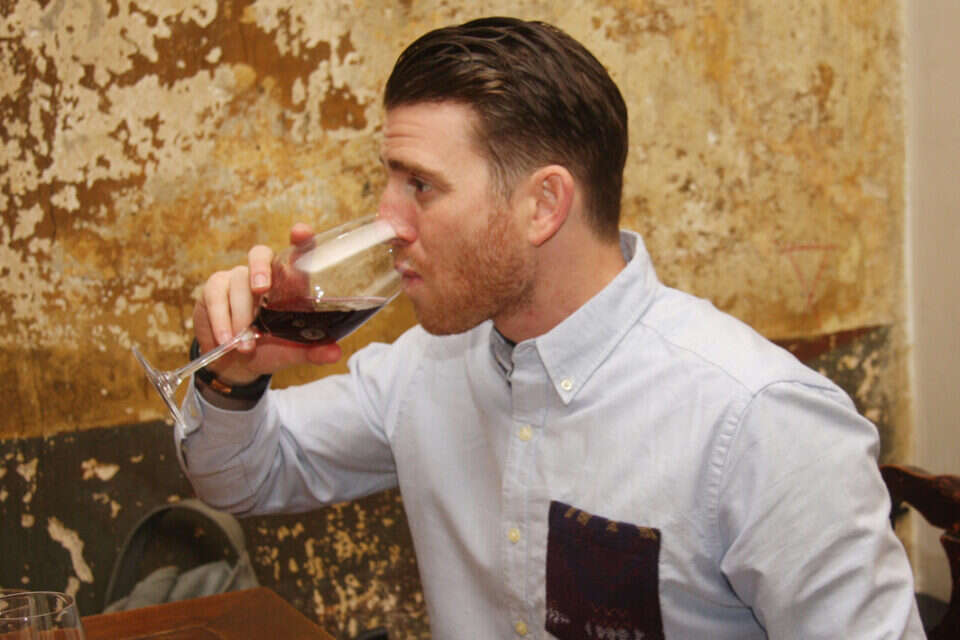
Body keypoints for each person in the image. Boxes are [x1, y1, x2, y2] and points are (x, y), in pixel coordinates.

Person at [178, 17, 925, 639]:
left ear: (543, 206)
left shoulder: (761, 421)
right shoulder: (426, 367)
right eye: (389, 177)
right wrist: (233, 375)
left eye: (420, 185)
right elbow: (241, 477)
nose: (387, 219)